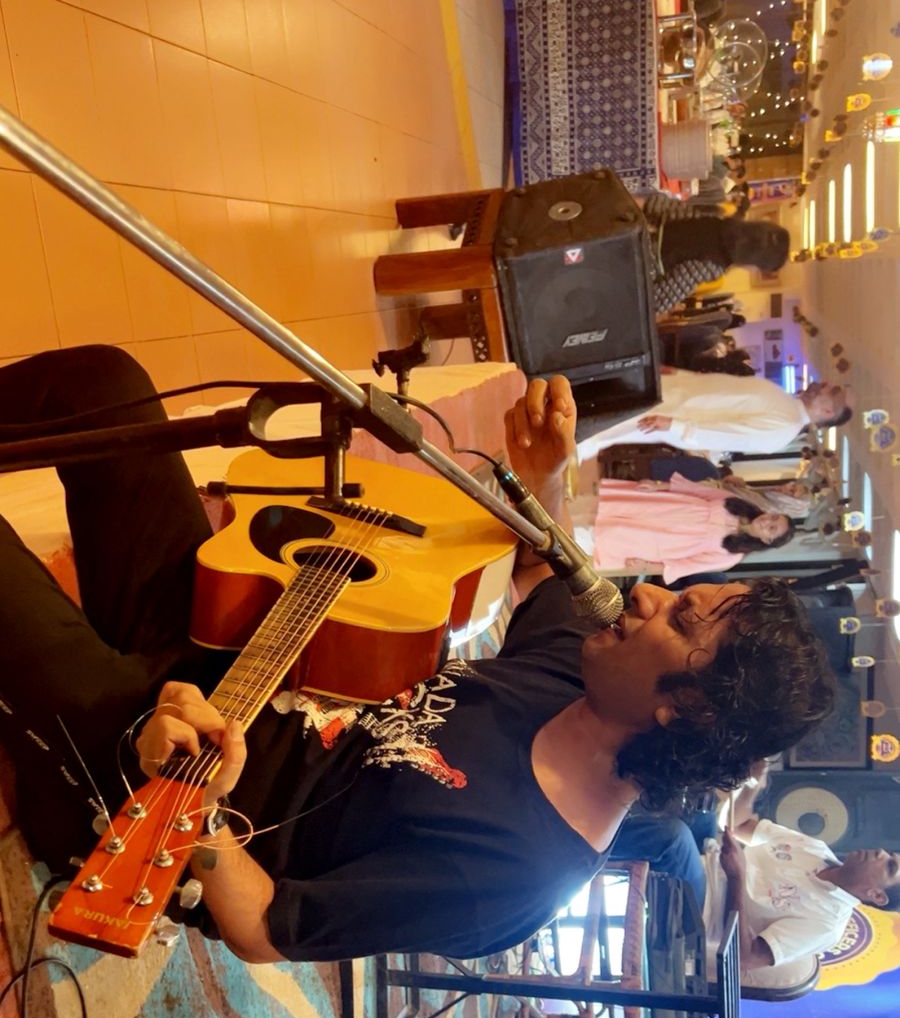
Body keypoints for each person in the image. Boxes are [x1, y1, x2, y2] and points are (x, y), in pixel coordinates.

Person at [0, 346, 834, 966]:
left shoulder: (517, 874)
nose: (645, 593)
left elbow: (264, 928)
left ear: (682, 709)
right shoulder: (577, 678)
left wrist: (205, 816)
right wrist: (546, 476)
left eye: (680, 618)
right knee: (102, 386)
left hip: (158, 779)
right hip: (232, 642)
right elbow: (547, 568)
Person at [615, 796, 900, 974]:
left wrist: (737, 876)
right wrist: (752, 784)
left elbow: (744, 958)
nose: (880, 853)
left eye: (890, 866)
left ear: (877, 896)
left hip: (698, 909)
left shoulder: (827, 924)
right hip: (707, 859)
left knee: (674, 838)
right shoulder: (816, 848)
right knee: (698, 797)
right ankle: (606, 808)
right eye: (890, 854)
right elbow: (741, 826)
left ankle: (593, 847)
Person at [576, 373, 853, 472]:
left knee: (603, 429)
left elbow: (727, 435)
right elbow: (724, 387)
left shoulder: (784, 428)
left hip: (674, 414)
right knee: (603, 408)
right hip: (676, 395)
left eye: (830, 390)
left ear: (828, 410)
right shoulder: (784, 399)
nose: (823, 383)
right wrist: (681, 375)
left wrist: (676, 425)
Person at [569, 474, 795, 584]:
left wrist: (646, 566)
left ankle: (554, 533)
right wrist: (659, 486)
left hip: (654, 539)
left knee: (594, 535)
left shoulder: (730, 556)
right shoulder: (736, 503)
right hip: (658, 508)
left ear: (767, 541)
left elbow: (686, 566)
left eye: (772, 528)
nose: (767, 521)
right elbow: (695, 490)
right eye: (773, 517)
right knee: (591, 510)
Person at [640, 194, 790, 319]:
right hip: (637, 267)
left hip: (636, 231)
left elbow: (655, 205)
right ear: (753, 260)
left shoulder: (715, 216)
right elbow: (657, 300)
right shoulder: (714, 265)